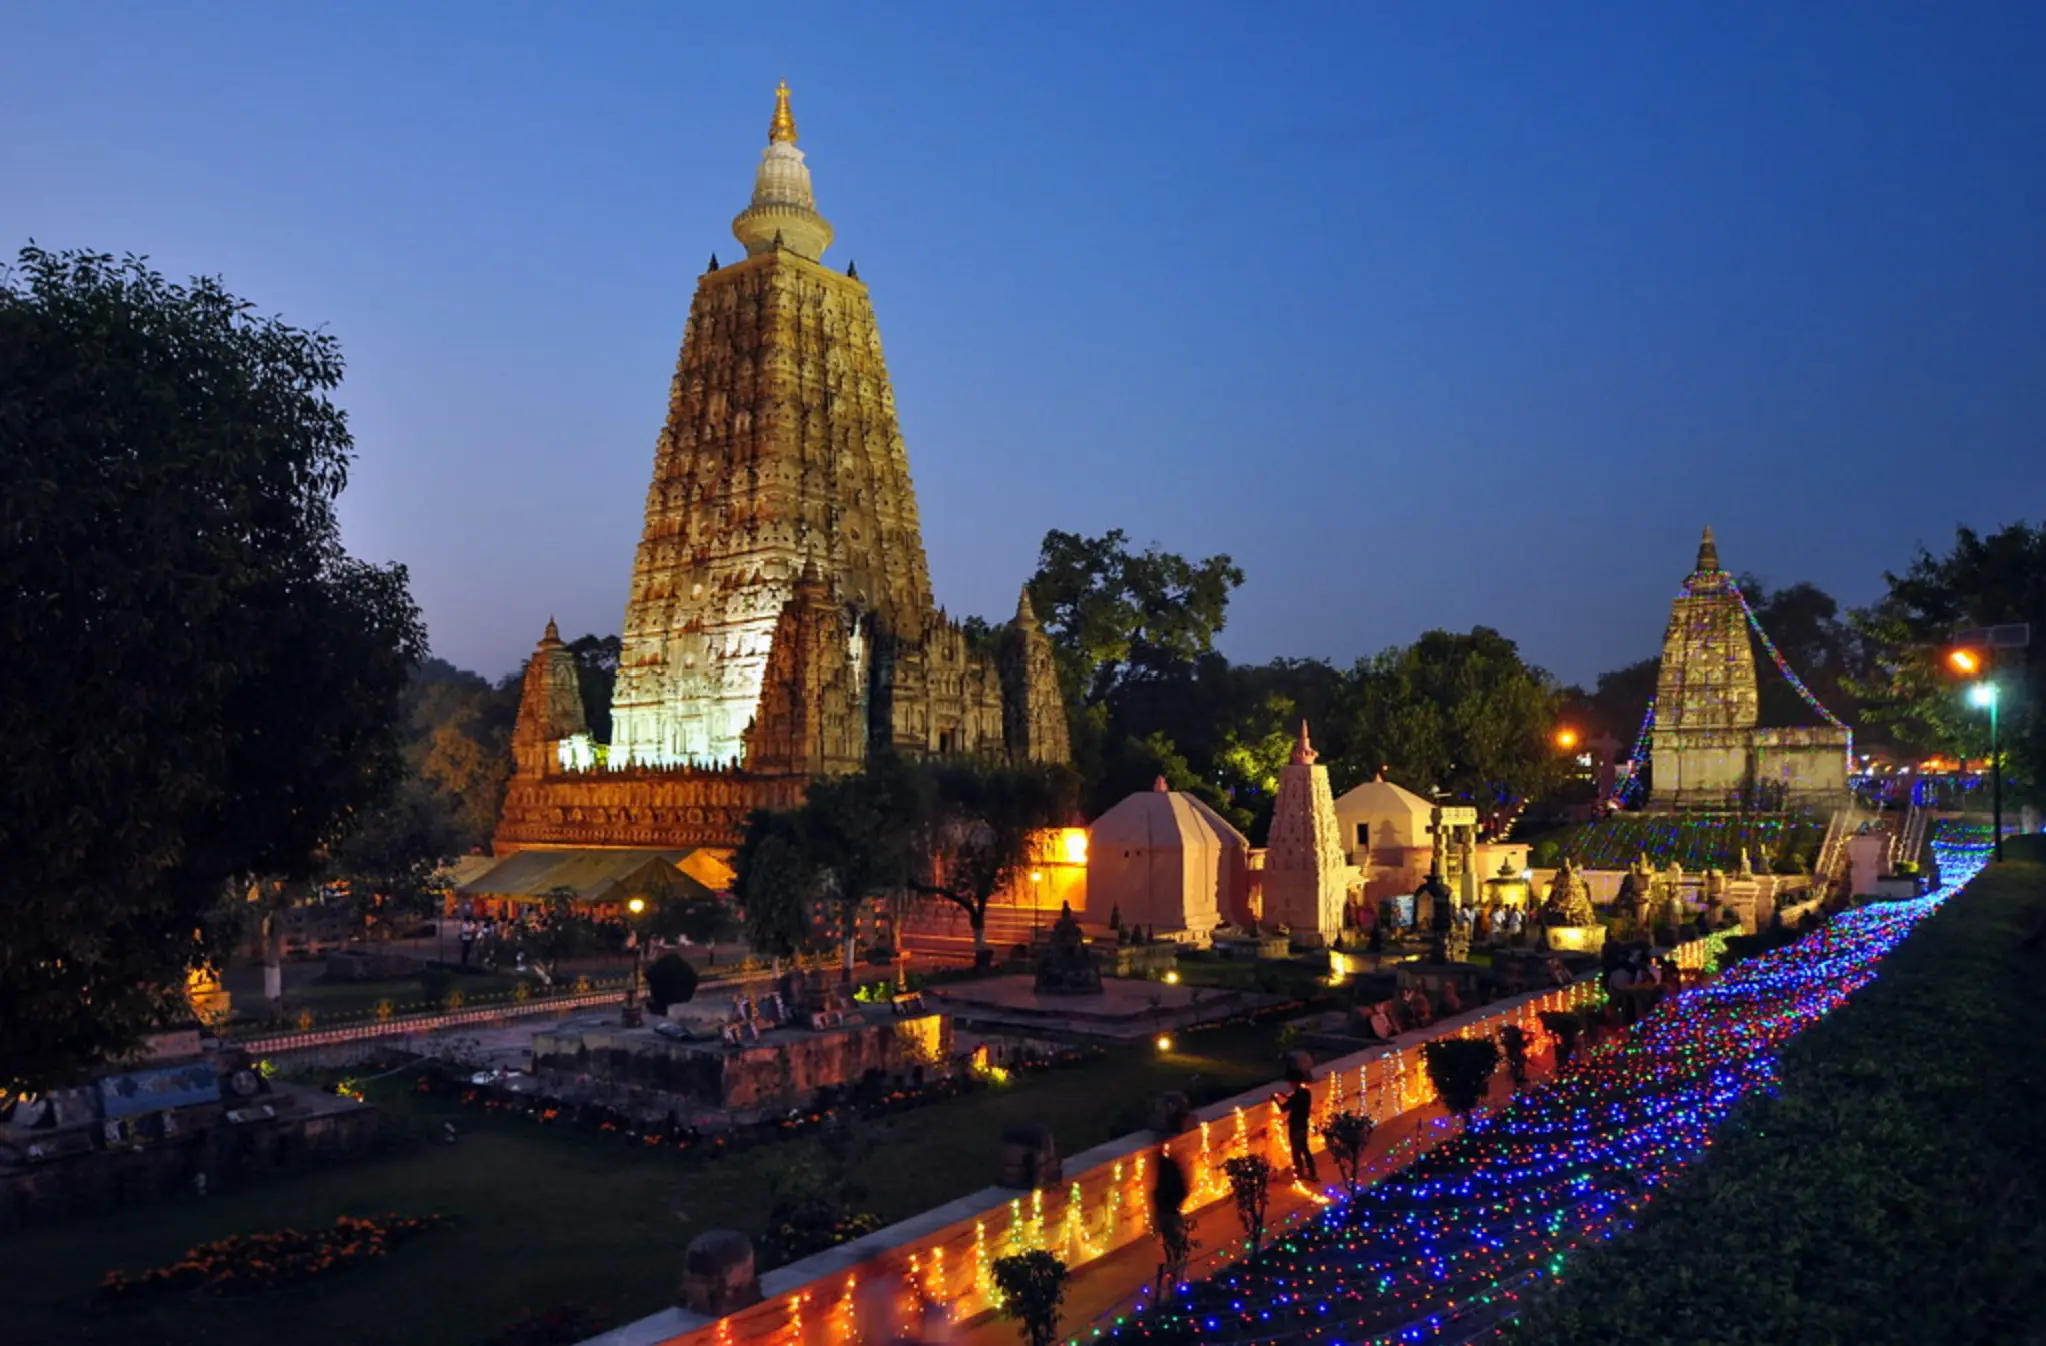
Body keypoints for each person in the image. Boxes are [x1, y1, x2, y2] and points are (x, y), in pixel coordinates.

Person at [1278, 1077, 1318, 1181]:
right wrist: (1286, 1097)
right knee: (1305, 1149)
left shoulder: (1296, 1097)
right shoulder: (1306, 1093)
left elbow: (1283, 1108)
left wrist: (1275, 1099)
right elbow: (1294, 1101)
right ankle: (1312, 1172)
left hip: (1295, 1126)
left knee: (1296, 1151)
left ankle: (1300, 1173)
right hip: (1304, 1125)